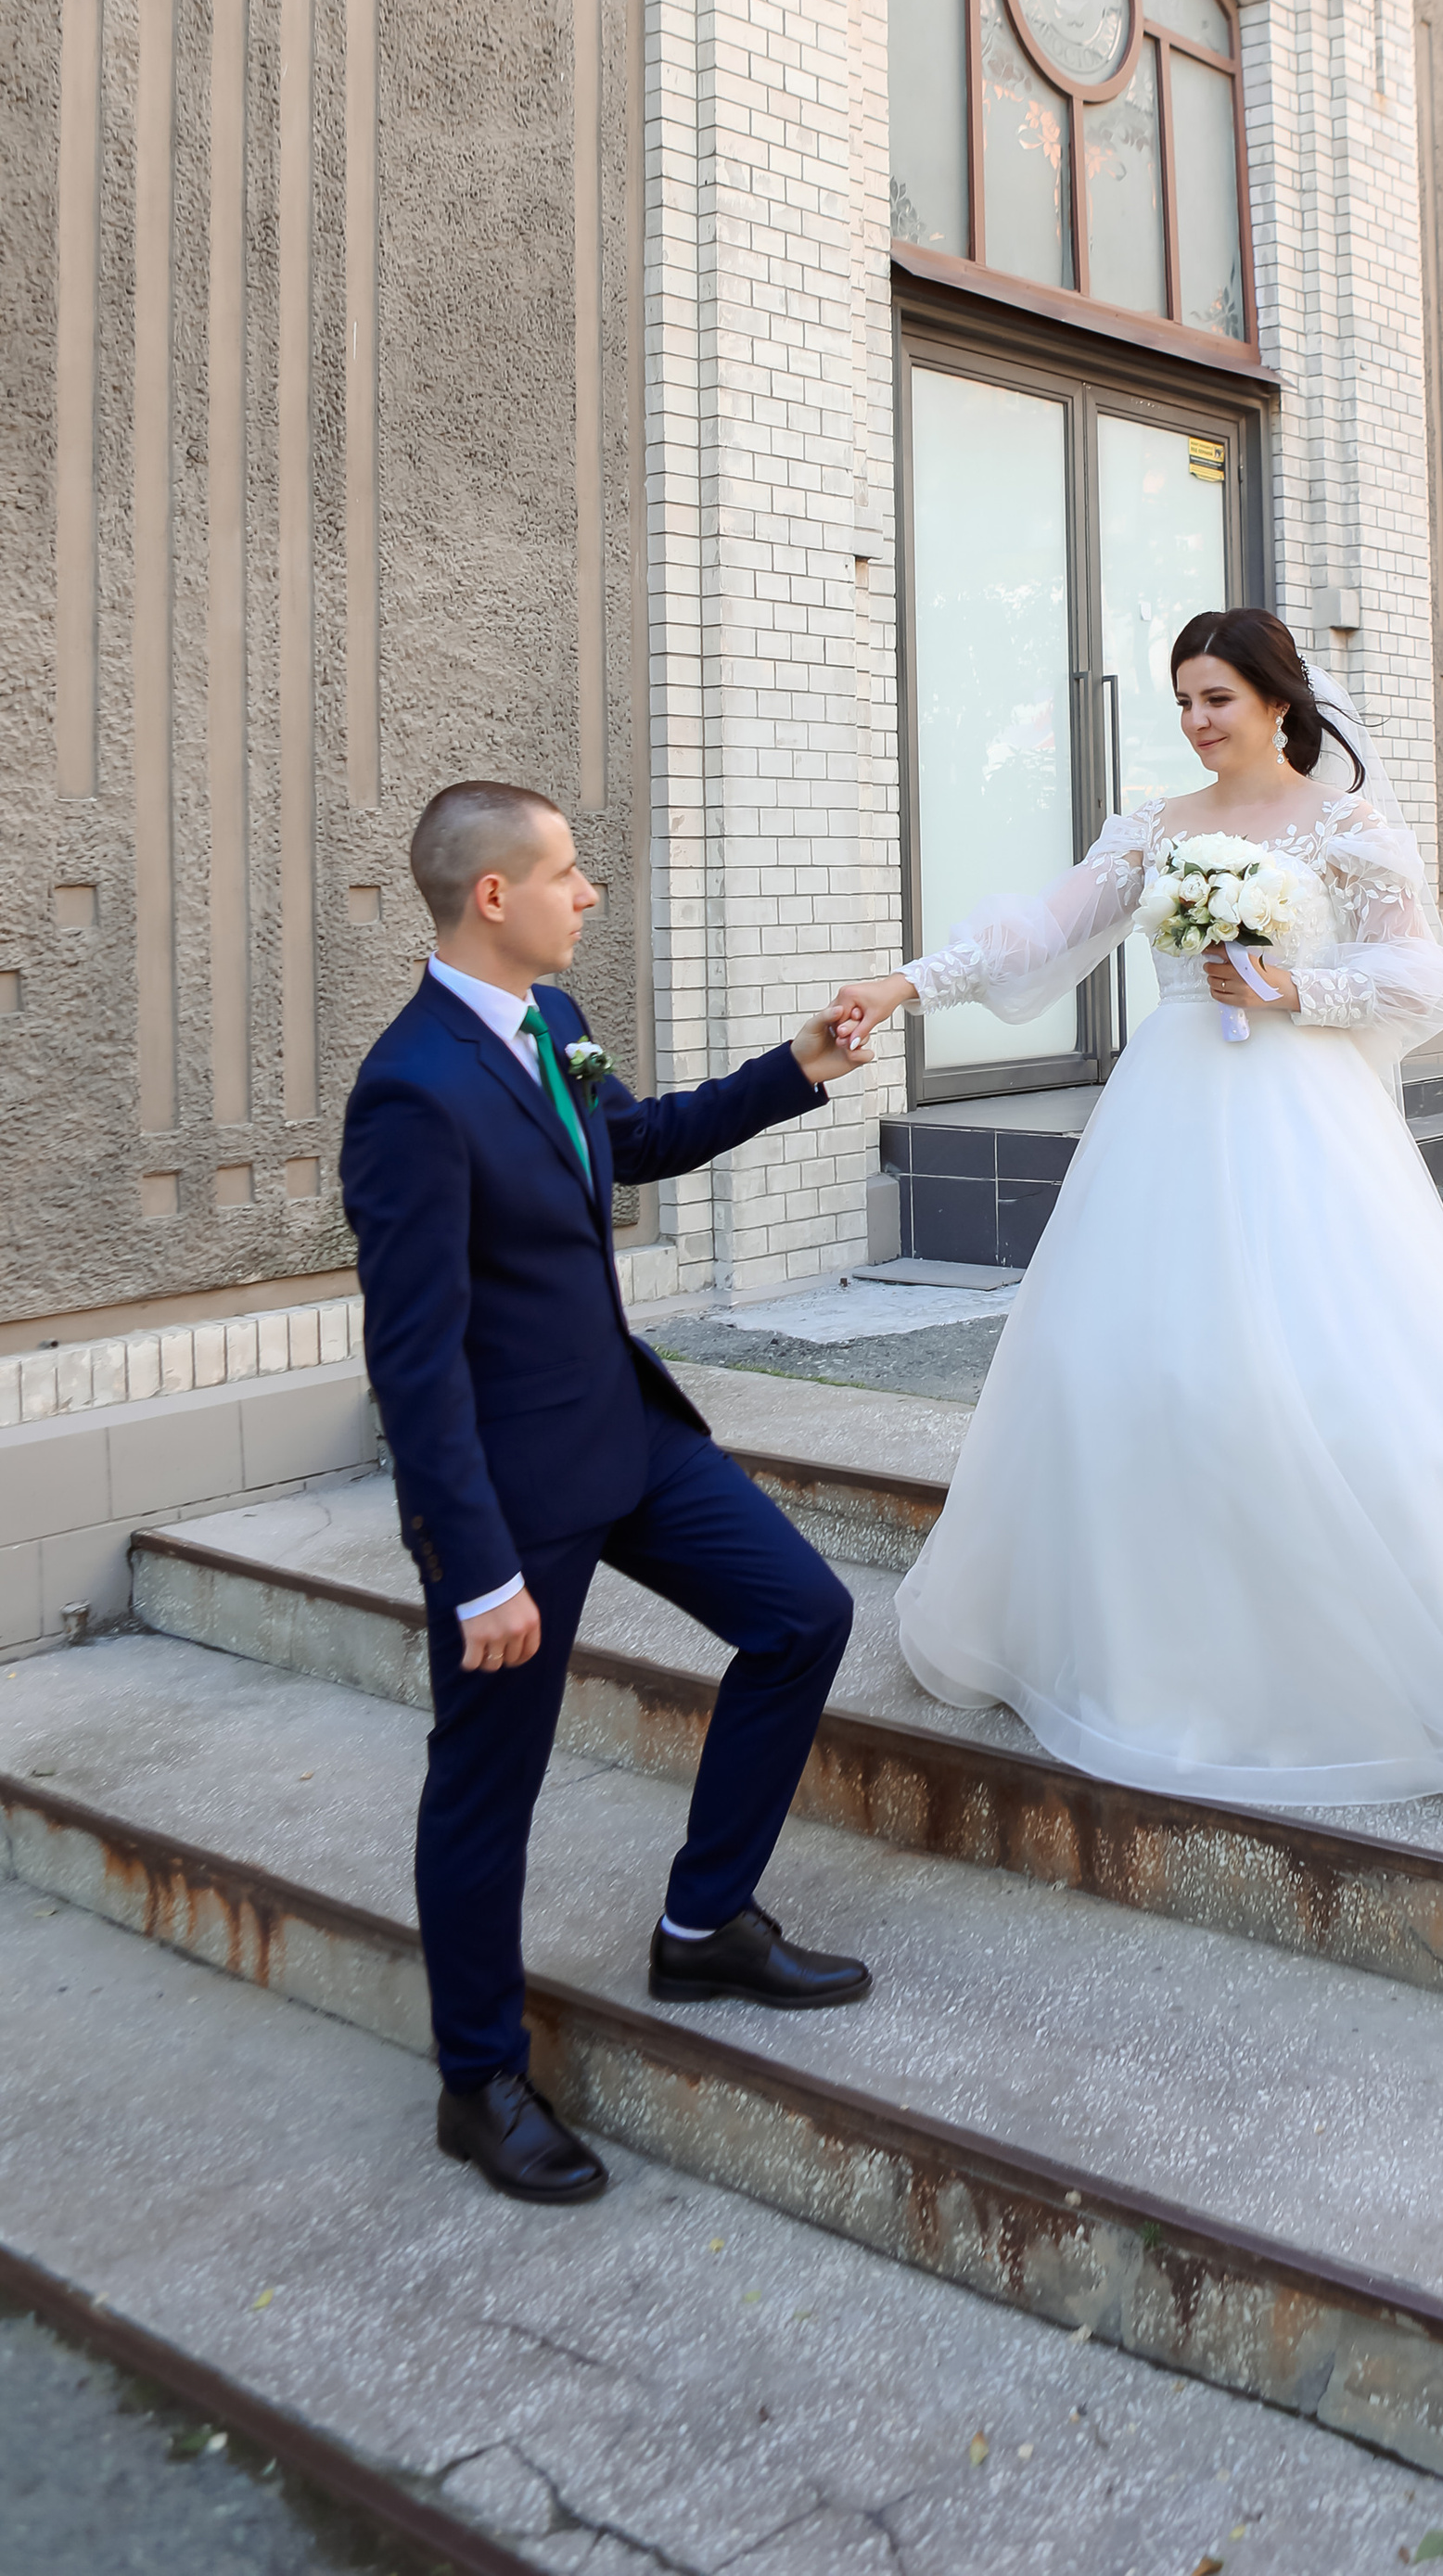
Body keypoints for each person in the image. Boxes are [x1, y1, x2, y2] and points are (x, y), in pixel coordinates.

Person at [829, 612, 1443, 1815]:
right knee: (1127, 1367)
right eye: (1186, 703)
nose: (1200, 723)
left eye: (1218, 699)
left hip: (1303, 1118)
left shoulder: (1345, 825)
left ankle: (1383, 1663)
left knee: (1344, 1376)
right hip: (1165, 1118)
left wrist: (1294, 984)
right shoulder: (1154, 828)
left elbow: (1426, 977)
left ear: (1274, 700)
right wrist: (900, 986)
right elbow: (1040, 931)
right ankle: (1150, 1650)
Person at [342, 780, 871, 2209]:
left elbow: (630, 1145)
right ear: (493, 898)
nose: (591, 895)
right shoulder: (409, 1091)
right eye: (570, 874)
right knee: (486, 1792)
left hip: (627, 1435)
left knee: (802, 1617)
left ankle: (704, 1923)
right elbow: (415, 1356)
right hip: (513, 1496)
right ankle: (479, 2081)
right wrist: (472, 1565)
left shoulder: (555, 1027)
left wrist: (797, 1065)